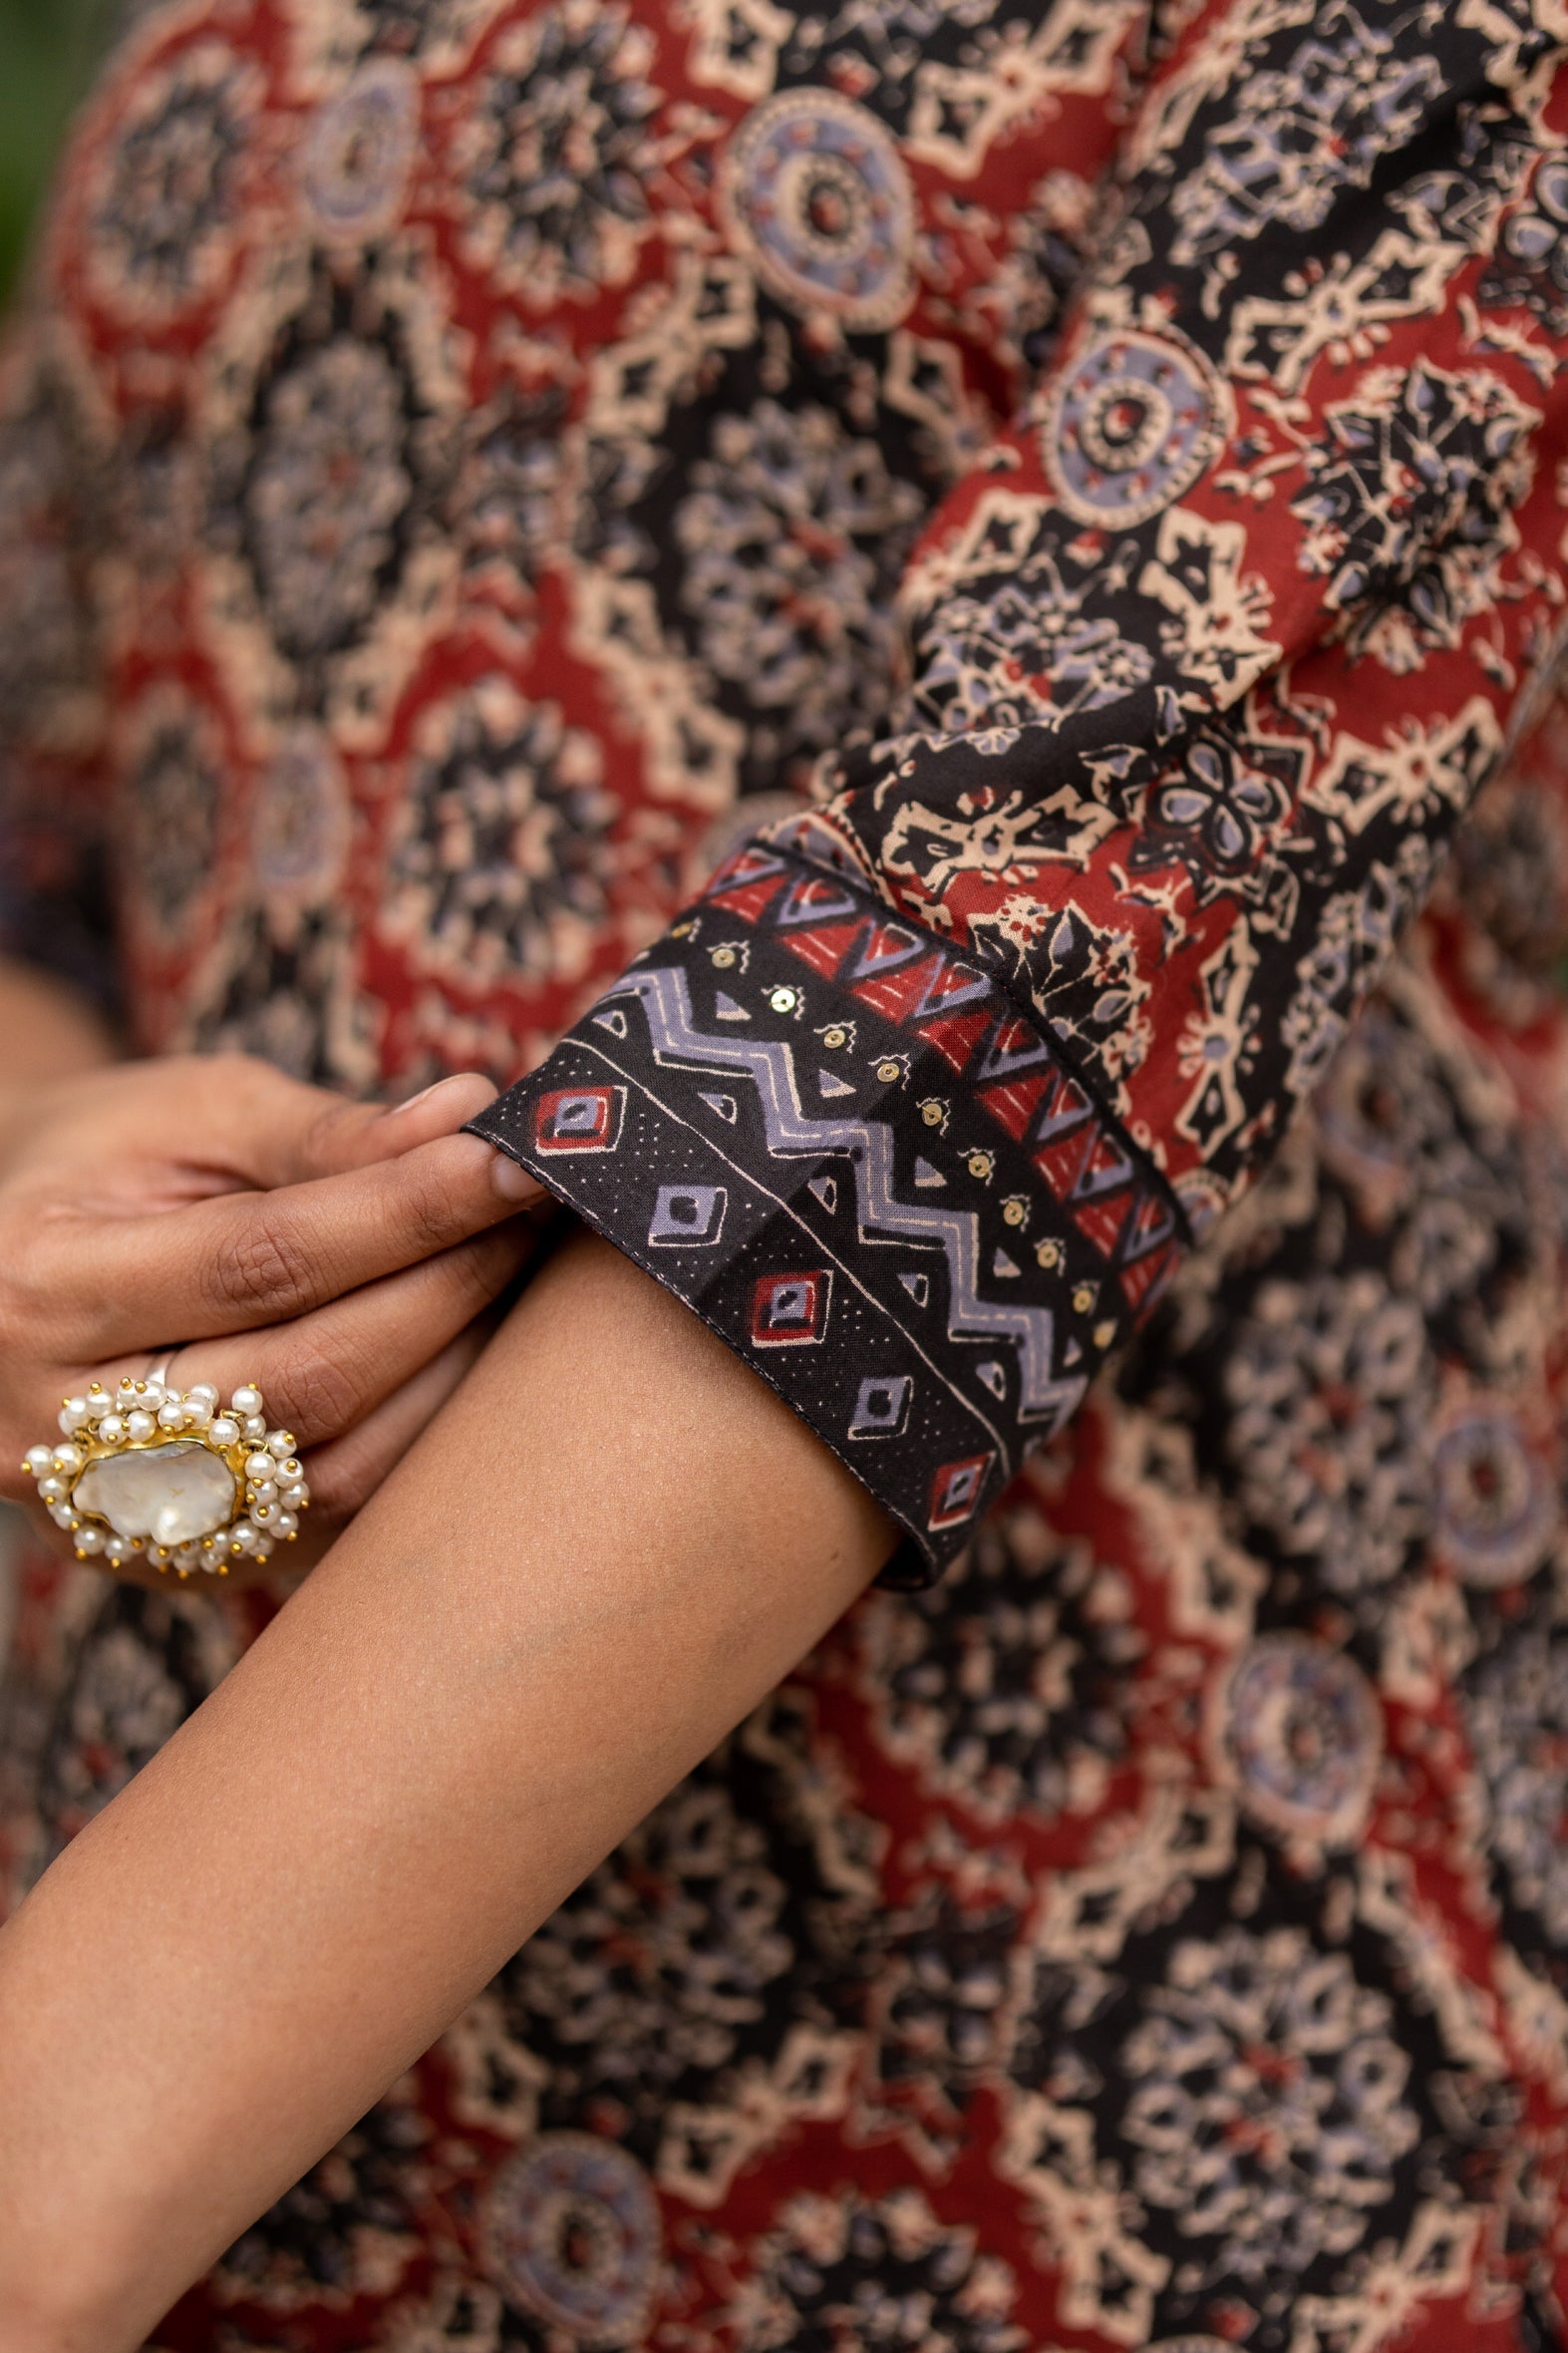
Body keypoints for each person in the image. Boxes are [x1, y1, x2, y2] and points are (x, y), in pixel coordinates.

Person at [3, 0, 1568, 2344]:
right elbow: (50, 803)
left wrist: (49, 2148)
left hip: (1039, 2088)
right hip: (211, 2107)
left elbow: (996, 1009)